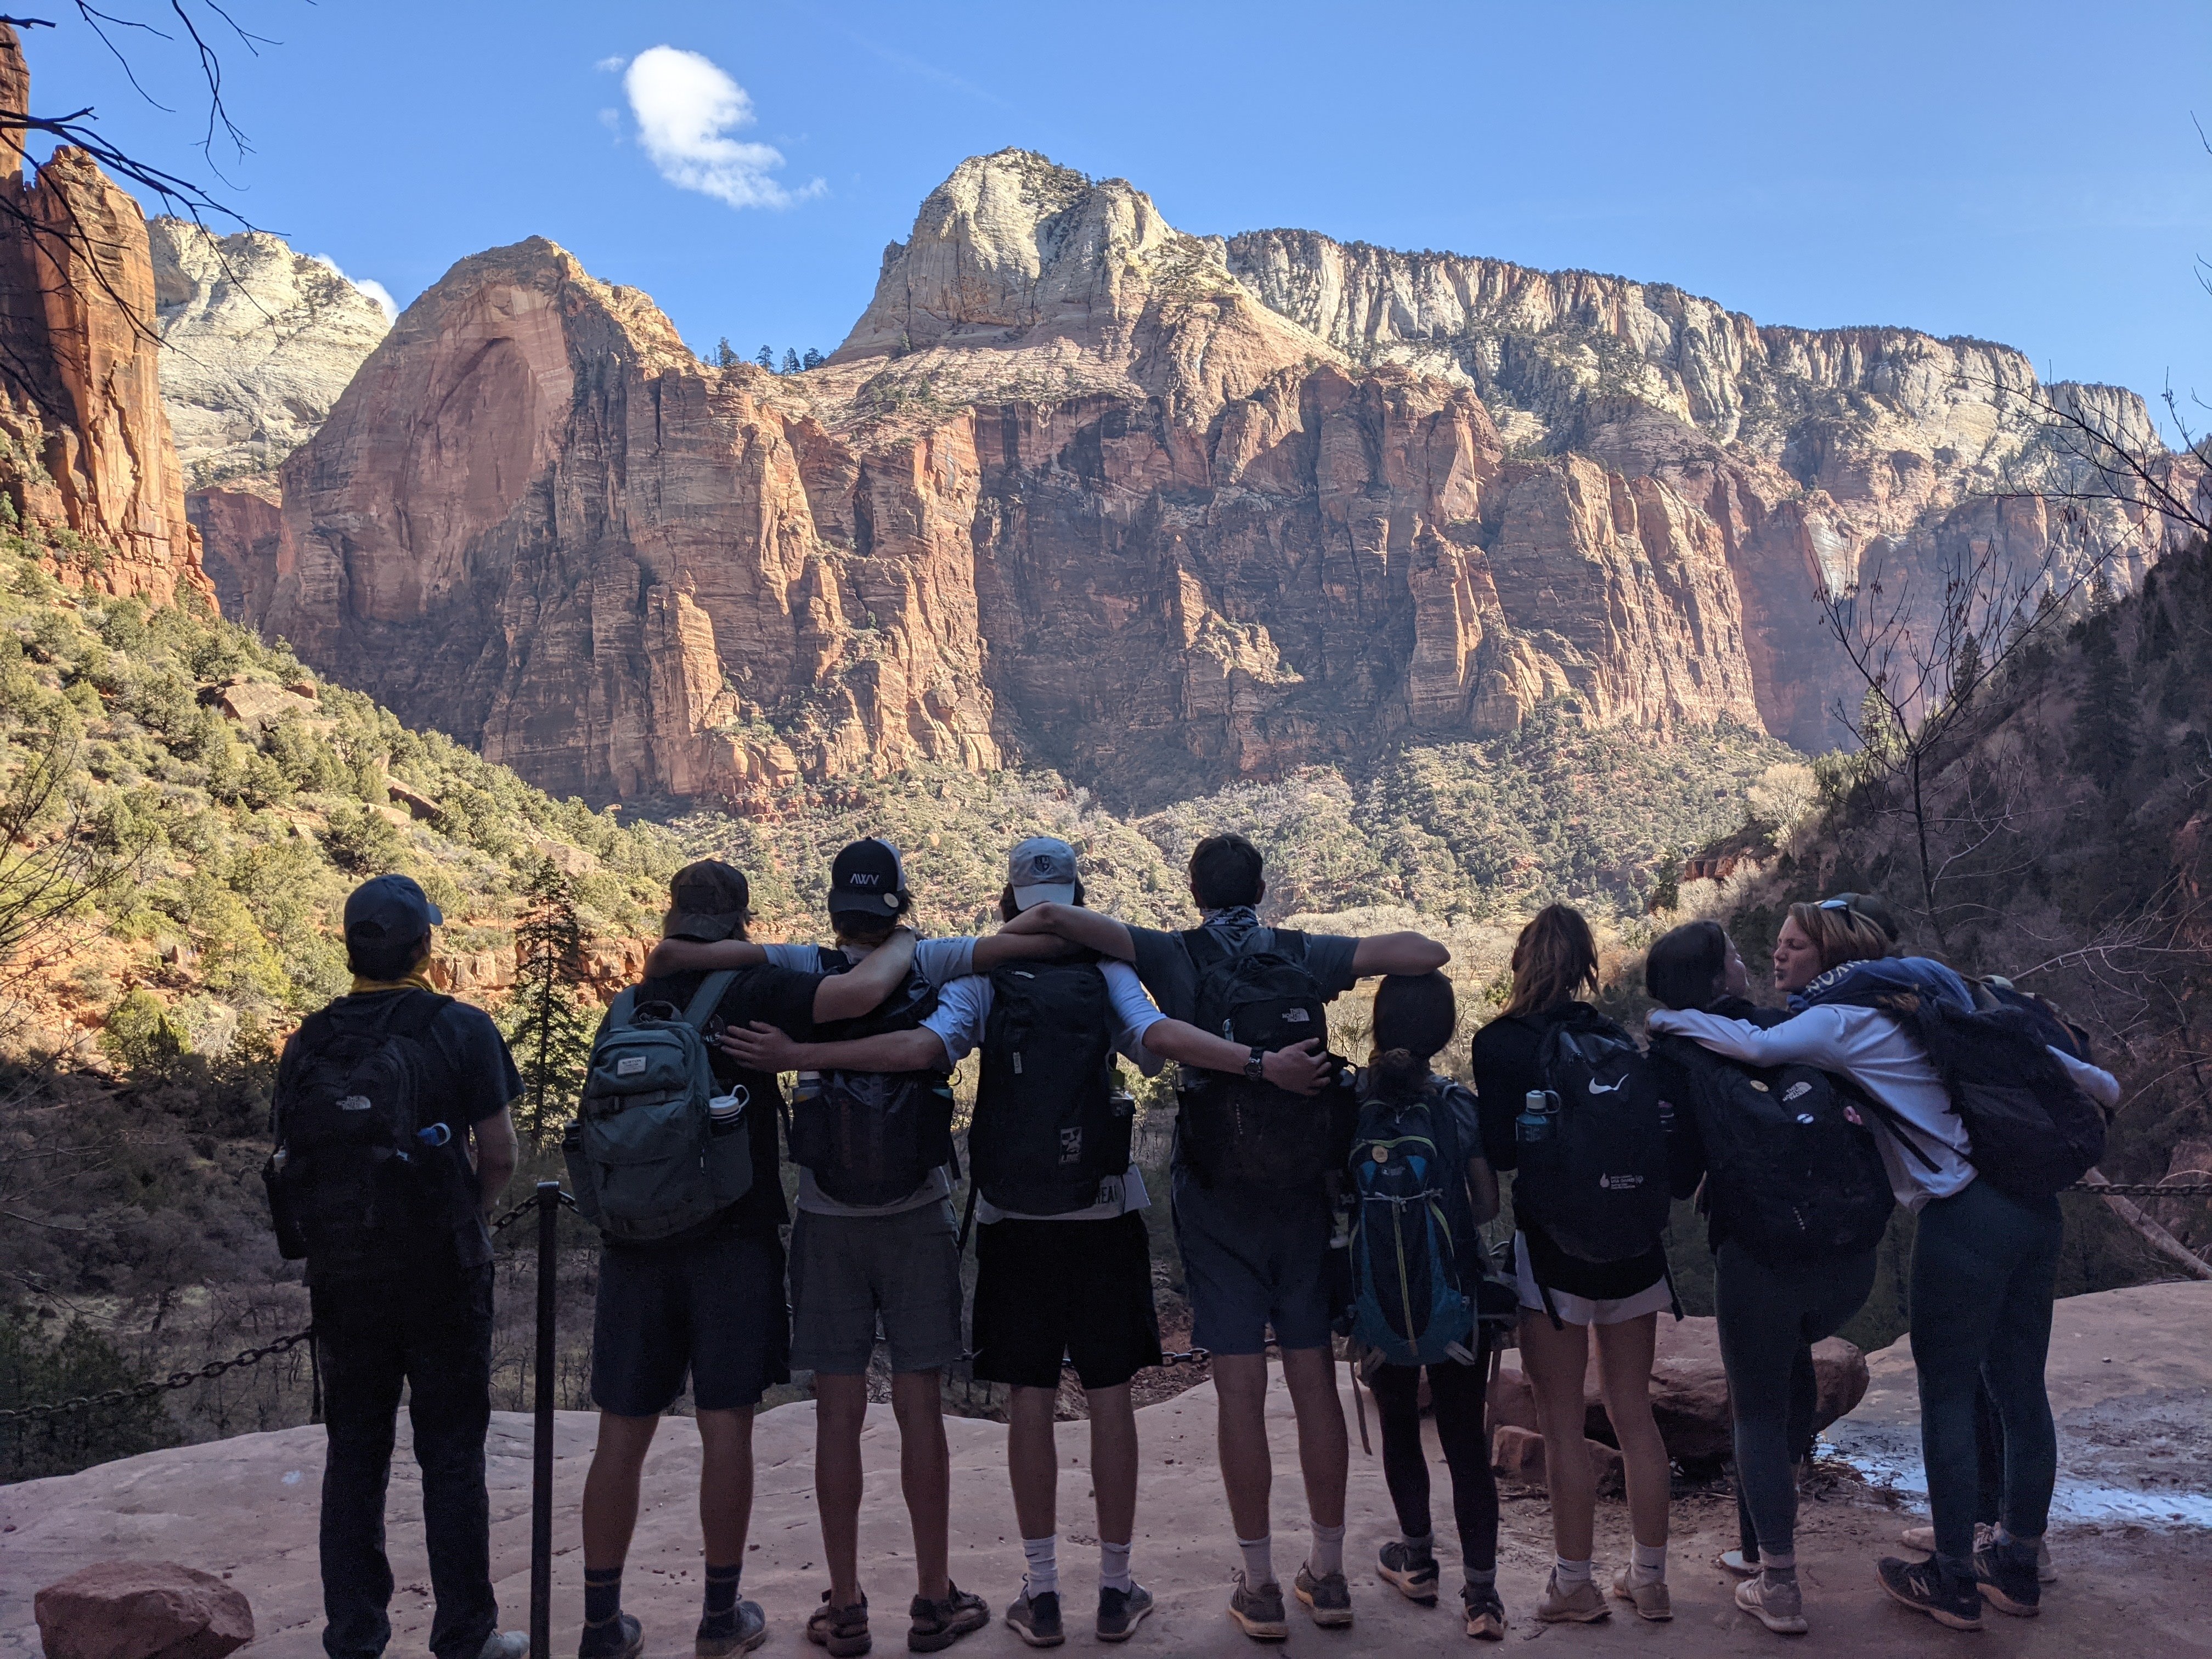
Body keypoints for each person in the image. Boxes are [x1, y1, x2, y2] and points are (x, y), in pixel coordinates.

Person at [726, 837, 1335, 1648]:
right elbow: (1154, 1040)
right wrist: (1257, 1064)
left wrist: (801, 1056)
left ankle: (1041, 1594)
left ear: (1011, 899)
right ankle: (1115, 1590)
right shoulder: (1106, 970)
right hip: (1106, 1211)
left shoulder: (979, 972)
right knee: (1111, 1397)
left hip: (1011, 1219)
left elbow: (925, 1048)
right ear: (1074, 895)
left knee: (1031, 1405)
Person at [1000, 831, 1448, 1639]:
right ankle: (1333, 1572)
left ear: (1194, 891)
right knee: (1311, 1377)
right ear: (1263, 887)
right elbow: (1424, 950)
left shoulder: (1172, 953)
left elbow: (1067, 928)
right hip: (1303, 1198)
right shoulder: (1302, 952)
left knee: (1241, 1389)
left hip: (1217, 1200)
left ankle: (1264, 1585)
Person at [642, 838, 1071, 1656]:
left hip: (826, 1217)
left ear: (836, 905)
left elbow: (673, 955)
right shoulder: (934, 958)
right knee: (920, 1412)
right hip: (916, 1212)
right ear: (898, 906)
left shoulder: (798, 966)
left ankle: (845, 1606)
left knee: (836, 1416)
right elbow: (1045, 942)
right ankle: (934, 1598)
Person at [1646, 899, 2119, 1631]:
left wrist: (1668, 1022)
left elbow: (1753, 1046)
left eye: (1795, 947)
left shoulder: (1842, 1018)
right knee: (2021, 1390)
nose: (1780, 961)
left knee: (1949, 1397)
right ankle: (2018, 1563)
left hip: (1965, 1211)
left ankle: (1953, 1578)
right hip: (2033, 1204)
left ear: (1828, 958)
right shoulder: (1926, 992)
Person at [575, 860, 924, 1659]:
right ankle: (719, 1618)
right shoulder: (752, 990)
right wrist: (904, 936)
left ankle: (601, 1624)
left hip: (634, 1245)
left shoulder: (628, 1004)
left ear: (672, 913)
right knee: (723, 1423)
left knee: (620, 1435)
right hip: (731, 1241)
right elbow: (863, 993)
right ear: (738, 919)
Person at [274, 875, 528, 1659]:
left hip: (344, 1270)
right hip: (441, 1267)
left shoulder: (309, 1040)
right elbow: (501, 1154)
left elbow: (291, 1158)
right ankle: (465, 1636)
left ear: (351, 947)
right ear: (426, 946)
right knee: (451, 1452)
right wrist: (465, 1214)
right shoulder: (460, 1028)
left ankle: (354, 1637)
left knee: (354, 1452)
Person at [1644, 921, 1880, 1637]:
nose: (1752, 961)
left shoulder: (1676, 1059)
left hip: (1758, 1256)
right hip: (1847, 1258)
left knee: (1754, 1409)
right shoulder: (1786, 1028)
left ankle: (1777, 1579)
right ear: (1720, 981)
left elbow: (1681, 1175)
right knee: (1791, 1374)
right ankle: (1754, 1546)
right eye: (1738, 956)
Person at [1469, 902, 1674, 1624]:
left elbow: (1496, 1155)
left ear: (1523, 961)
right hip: (1636, 1252)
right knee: (1633, 1414)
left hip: (1552, 1257)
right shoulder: (1613, 1039)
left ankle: (1574, 1585)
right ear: (1587, 964)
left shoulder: (1499, 1045)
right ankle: (1649, 1580)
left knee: (1561, 1423)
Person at [1353, 972, 1508, 1640]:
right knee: (1464, 1442)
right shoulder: (1456, 1105)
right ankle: (1482, 1600)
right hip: (1455, 1298)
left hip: (1379, 1300)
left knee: (1395, 1422)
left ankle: (1417, 1560)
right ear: (1444, 1031)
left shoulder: (1352, 1105)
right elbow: (1487, 1205)